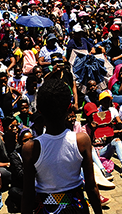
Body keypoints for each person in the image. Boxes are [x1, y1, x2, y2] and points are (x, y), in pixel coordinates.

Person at [21, 79, 103, 214]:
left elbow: (28, 194)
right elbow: (91, 187)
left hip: (46, 207)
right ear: (69, 107)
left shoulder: (31, 148)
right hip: (76, 207)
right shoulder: (81, 140)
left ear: (40, 110)